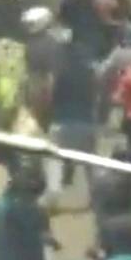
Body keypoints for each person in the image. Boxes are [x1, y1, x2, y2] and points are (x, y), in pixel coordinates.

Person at [48, 39, 99, 190]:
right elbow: (96, 97)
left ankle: (53, 196)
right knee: (91, 164)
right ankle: (96, 197)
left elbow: (51, 97)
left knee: (54, 161)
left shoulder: (59, 74)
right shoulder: (89, 74)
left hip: (62, 122)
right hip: (86, 122)